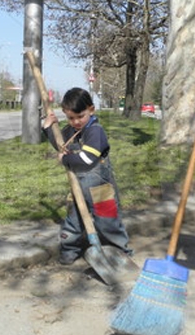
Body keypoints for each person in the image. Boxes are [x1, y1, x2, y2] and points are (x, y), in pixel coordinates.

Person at [42, 88, 132, 265]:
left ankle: (121, 253)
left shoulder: (95, 132)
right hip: (78, 187)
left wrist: (66, 159)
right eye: (70, 118)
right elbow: (61, 146)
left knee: (108, 222)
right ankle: (69, 250)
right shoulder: (72, 130)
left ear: (91, 110)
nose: (76, 121)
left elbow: (86, 158)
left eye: (80, 116)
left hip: (100, 189)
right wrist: (48, 128)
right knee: (72, 222)